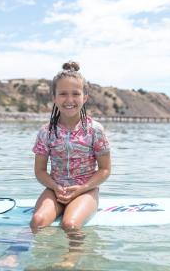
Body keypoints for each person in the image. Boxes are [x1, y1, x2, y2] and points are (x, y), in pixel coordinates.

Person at [31, 60, 111, 232]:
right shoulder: (46, 132)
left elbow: (104, 170)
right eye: (63, 94)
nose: (69, 100)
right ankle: (13, 253)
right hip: (55, 189)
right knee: (37, 221)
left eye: (75, 94)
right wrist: (54, 187)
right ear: (54, 97)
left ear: (85, 97)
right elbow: (40, 171)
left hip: (86, 190)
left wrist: (82, 188)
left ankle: (69, 260)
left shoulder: (95, 130)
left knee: (70, 225)